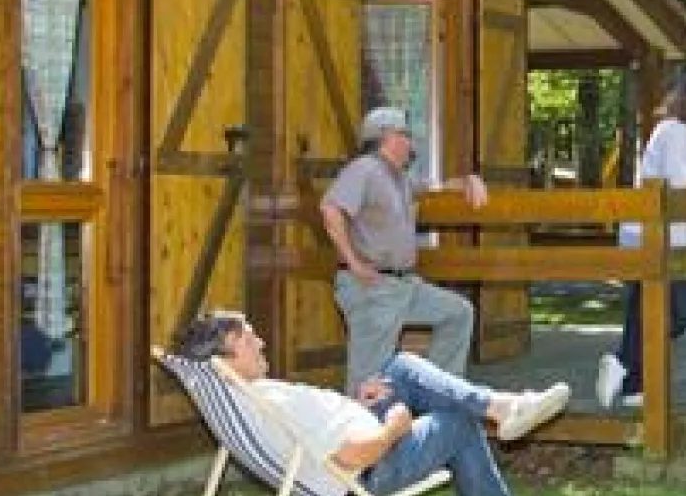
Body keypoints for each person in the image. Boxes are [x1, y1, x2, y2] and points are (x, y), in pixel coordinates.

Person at [174, 311, 569, 496]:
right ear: (224, 362)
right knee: (457, 423)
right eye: (247, 340)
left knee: (403, 367)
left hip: (363, 433)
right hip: (373, 465)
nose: (260, 343)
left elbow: (313, 438)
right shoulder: (267, 401)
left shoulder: (250, 398)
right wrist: (393, 430)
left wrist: (354, 403)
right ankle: (501, 409)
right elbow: (348, 460)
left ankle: (501, 406)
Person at [322, 107, 488, 392]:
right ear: (387, 136)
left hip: (403, 285)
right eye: (405, 135)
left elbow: (436, 188)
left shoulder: (398, 178)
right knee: (368, 381)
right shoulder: (364, 168)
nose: (411, 142)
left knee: (458, 313)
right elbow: (330, 208)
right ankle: (361, 433)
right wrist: (353, 263)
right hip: (372, 288)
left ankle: (438, 397)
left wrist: (468, 181)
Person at [595, 68, 686, 408]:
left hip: (680, 240)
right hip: (652, 237)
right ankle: (629, 373)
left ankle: (627, 372)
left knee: (668, 312)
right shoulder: (669, 131)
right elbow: (681, 178)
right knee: (667, 311)